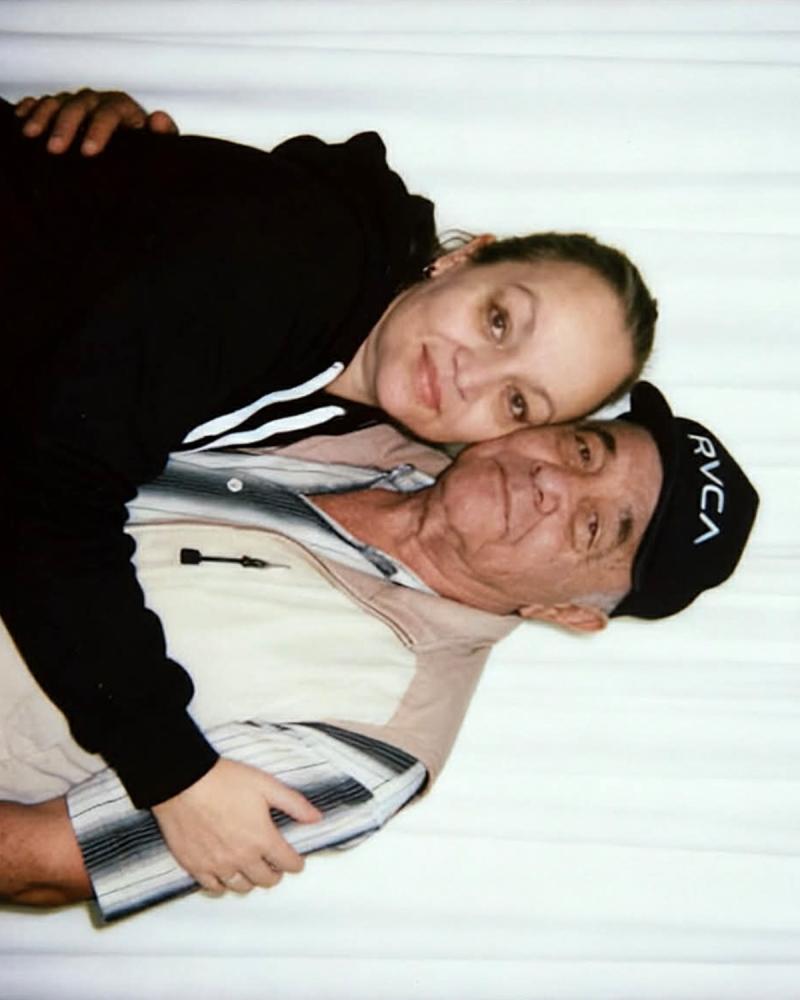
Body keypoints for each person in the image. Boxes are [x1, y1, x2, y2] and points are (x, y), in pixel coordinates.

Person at [0, 87, 658, 896]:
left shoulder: (358, 412)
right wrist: (171, 767)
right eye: (498, 321)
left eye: (519, 399)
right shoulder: (311, 258)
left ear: (569, 612)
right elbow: (52, 488)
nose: (470, 374)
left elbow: (40, 864)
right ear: (462, 258)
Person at [0, 382, 758, 920]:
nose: (552, 483)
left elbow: (37, 864)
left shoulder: (376, 743)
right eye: (584, 449)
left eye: (593, 527)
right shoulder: (371, 404)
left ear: (566, 612)